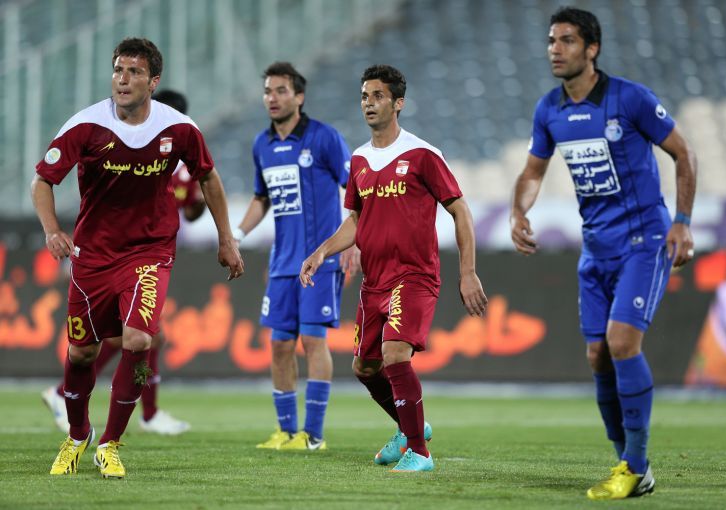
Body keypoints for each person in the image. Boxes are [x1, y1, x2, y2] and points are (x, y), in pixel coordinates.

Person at [32, 38, 244, 479]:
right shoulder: (85, 126)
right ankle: (77, 434)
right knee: (82, 352)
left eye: (134, 72)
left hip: (150, 251)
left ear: (153, 81)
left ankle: (110, 444)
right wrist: (52, 230)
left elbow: (208, 178)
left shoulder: (179, 128)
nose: (123, 79)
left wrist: (227, 239)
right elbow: (42, 181)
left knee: (140, 341)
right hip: (93, 255)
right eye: (118, 70)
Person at [510, 7, 697, 500]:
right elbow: (532, 172)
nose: (555, 49)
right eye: (551, 40)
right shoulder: (549, 109)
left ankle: (635, 465)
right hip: (595, 248)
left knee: (621, 343)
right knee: (597, 356)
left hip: (643, 241)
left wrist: (682, 220)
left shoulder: (630, 98)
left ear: (591, 49)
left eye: (567, 40)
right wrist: (518, 212)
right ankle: (628, 463)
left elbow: (684, 153)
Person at [299, 64, 488, 472]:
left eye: (378, 96)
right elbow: (355, 220)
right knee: (365, 367)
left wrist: (468, 271)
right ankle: (409, 427)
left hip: (414, 275)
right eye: (364, 96)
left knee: (395, 353)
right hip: (375, 281)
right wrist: (322, 251)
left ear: (398, 103)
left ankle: (419, 451)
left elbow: (460, 211)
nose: (369, 103)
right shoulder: (359, 159)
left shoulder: (422, 155)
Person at [40, 89, 204, 437]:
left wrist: (201, 199)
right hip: (97, 255)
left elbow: (192, 210)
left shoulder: (177, 166)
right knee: (112, 343)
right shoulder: (115, 143)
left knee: (145, 337)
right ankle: (73, 396)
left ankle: (143, 412)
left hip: (146, 258)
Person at [234, 62, 354, 451]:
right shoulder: (262, 144)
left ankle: (313, 435)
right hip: (282, 263)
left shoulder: (324, 138)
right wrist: (235, 236)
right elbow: (261, 198)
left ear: (299, 97)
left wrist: (353, 242)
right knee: (280, 345)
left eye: (281, 90)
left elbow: (356, 190)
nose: (272, 97)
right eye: (268, 91)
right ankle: (285, 431)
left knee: (313, 341)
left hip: (320, 261)